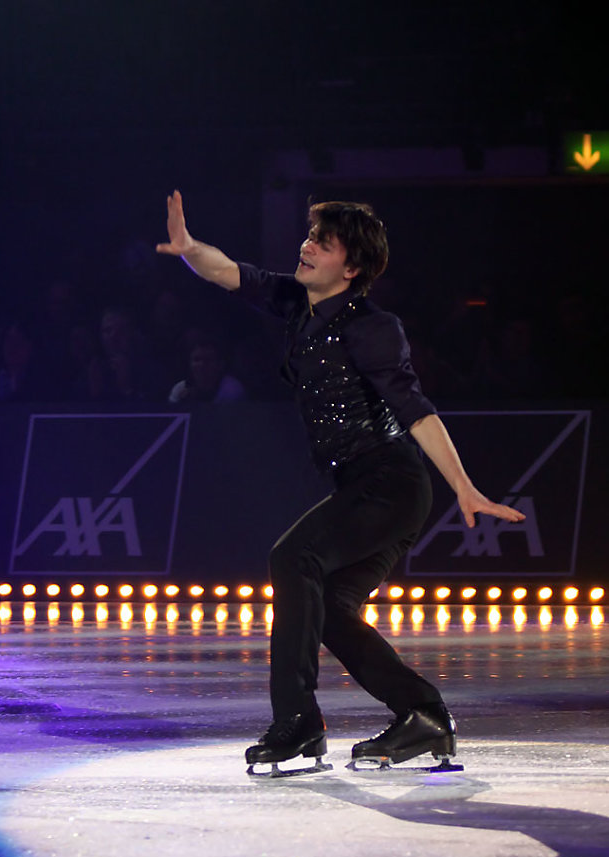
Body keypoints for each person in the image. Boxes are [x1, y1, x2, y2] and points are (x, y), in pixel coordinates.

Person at [156, 190, 525, 772]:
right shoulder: (296, 301)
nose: (306, 247)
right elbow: (227, 271)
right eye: (309, 237)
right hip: (361, 486)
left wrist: (464, 486)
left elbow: (415, 409)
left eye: (322, 244)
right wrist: (188, 249)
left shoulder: (372, 327)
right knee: (327, 607)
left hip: (392, 484)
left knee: (292, 558)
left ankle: (297, 722)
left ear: (350, 268)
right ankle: (421, 713)